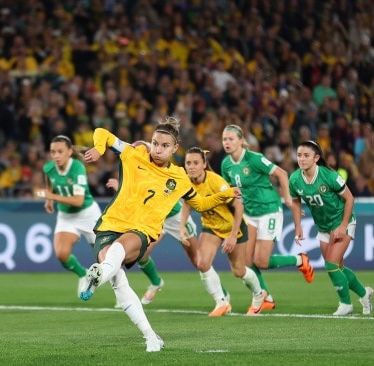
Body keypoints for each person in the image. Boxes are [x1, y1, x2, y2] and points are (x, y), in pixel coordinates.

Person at [78, 118, 241, 352]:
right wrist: (99, 148)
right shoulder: (135, 153)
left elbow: (202, 204)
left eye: (164, 145)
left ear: (175, 148)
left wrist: (223, 196)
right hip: (110, 224)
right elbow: (102, 131)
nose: (157, 148)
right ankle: (151, 336)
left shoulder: (180, 178)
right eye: (155, 143)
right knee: (117, 279)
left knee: (117, 252)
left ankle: (97, 275)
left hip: (141, 230)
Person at [105, 141, 229, 308]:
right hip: (158, 220)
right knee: (139, 253)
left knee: (198, 261)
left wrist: (144, 145)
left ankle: (222, 294)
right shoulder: (140, 170)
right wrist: (120, 186)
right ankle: (156, 282)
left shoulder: (162, 169)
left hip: (176, 216)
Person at [221, 124, 315, 310]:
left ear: (241, 141)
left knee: (261, 261)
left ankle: (300, 260)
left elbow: (281, 173)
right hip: (249, 213)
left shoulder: (254, 158)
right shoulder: (226, 165)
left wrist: (287, 198)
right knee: (247, 263)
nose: (227, 142)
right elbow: (230, 190)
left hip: (269, 210)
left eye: (231, 139)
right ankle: (266, 297)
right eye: (224, 139)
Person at [289, 140, 374, 316]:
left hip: (343, 221)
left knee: (331, 265)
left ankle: (346, 304)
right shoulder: (295, 179)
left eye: (306, 155)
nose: (302, 159)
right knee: (338, 267)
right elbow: (295, 202)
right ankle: (364, 294)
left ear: (316, 157)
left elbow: (350, 199)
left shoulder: (329, 176)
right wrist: (298, 227)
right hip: (323, 227)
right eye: (299, 155)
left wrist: (343, 227)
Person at [183, 147, 265, 315]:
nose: (191, 166)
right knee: (202, 263)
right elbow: (187, 202)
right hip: (212, 226)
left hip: (233, 227)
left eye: (195, 163)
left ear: (204, 164)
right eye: (188, 163)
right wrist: (181, 225)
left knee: (239, 271)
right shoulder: (186, 182)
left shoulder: (216, 182)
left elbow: (238, 205)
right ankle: (221, 302)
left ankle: (259, 294)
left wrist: (233, 236)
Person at [35, 135, 102, 295]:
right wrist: (49, 201)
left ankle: (121, 294)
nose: (56, 156)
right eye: (53, 152)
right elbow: (49, 179)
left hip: (88, 214)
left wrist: (51, 196)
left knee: (104, 258)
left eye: (60, 151)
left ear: (69, 152)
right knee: (61, 254)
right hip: (66, 216)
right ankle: (83, 275)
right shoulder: (49, 167)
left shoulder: (77, 167)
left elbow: (78, 201)